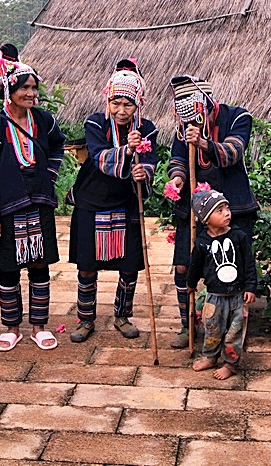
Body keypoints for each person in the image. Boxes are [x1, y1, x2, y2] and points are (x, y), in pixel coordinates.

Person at [0, 46, 65, 351]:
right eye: (24, 88)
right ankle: (11, 327)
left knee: (40, 265)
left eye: (33, 87)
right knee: (9, 267)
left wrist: (48, 175)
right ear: (8, 91)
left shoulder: (43, 120)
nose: (31, 93)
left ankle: (39, 326)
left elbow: (58, 145)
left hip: (39, 203)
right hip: (7, 207)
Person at [67, 59, 158, 343]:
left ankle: (122, 315)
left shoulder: (147, 129)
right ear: (107, 100)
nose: (121, 110)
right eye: (115, 103)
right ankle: (85, 318)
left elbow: (150, 161)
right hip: (91, 199)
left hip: (125, 201)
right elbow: (98, 156)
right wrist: (127, 151)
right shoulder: (95, 123)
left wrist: (144, 173)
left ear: (138, 104)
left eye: (128, 104)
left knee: (129, 264)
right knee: (87, 264)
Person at [165, 75, 258, 349]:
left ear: (208, 105)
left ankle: (231, 332)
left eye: (197, 117)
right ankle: (188, 326)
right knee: (184, 266)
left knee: (234, 268)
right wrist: (178, 179)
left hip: (234, 209)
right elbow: (178, 158)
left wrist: (204, 143)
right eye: (187, 120)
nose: (192, 124)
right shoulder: (183, 129)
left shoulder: (238, 117)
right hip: (196, 210)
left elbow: (234, 152)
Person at [187, 188, 257, 380]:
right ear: (206, 219)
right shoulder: (202, 242)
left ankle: (230, 364)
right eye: (220, 210)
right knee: (212, 329)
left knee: (234, 333)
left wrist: (250, 287)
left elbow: (249, 263)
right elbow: (195, 266)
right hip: (214, 297)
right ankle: (210, 357)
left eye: (227, 208)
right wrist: (191, 284)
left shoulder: (238, 237)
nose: (227, 213)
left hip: (238, 296)